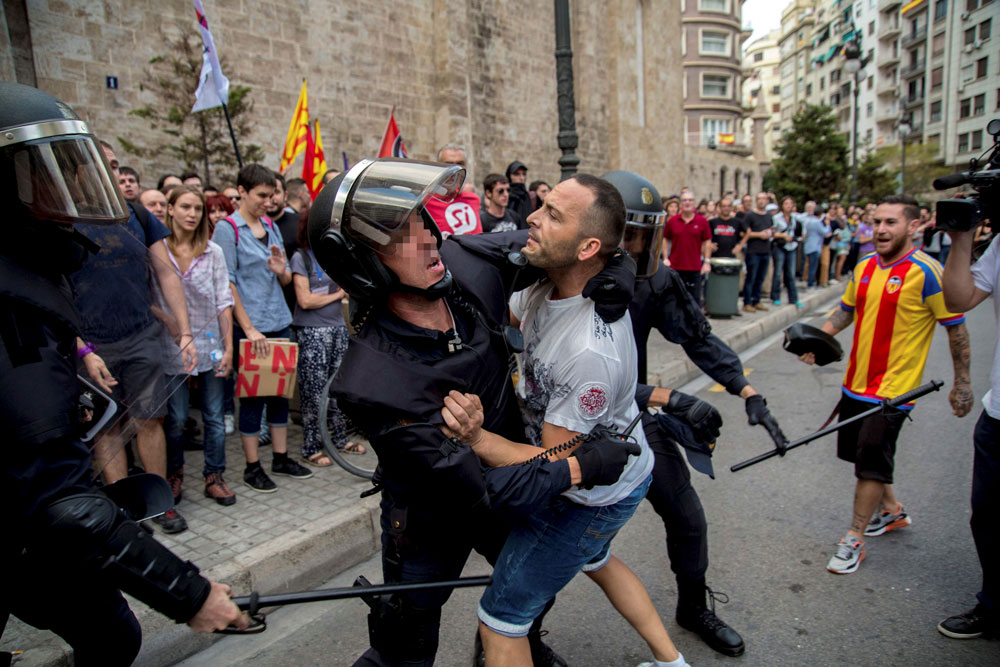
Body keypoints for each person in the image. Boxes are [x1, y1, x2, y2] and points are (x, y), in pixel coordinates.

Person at [309, 158, 638, 667]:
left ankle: (511, 644)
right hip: (432, 515)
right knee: (405, 642)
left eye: (422, 220)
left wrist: (617, 267)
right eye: (400, 236)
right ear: (361, 262)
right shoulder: (373, 382)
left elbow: (553, 248)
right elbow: (479, 488)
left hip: (514, 473)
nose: (427, 239)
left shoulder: (466, 266)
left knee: (526, 595)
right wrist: (582, 466)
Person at [0, 81, 246, 667]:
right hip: (23, 527)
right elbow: (56, 497)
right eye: (47, 171)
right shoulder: (11, 305)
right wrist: (190, 594)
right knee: (110, 633)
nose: (74, 186)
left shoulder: (25, 275)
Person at [451, 173, 689, 667]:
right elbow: (511, 320)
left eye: (553, 215)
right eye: (541, 205)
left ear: (588, 248)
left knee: (501, 618)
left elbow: (553, 463)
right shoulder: (549, 287)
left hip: (588, 497)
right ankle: (672, 663)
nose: (531, 218)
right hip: (609, 478)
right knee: (595, 560)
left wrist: (475, 438)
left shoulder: (588, 351)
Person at [608, 170, 790, 657]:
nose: (633, 246)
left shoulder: (656, 281)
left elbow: (698, 337)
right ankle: (515, 631)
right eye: (624, 233)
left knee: (687, 516)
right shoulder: (554, 282)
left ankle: (692, 607)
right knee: (542, 531)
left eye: (642, 235)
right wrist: (669, 398)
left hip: (633, 414)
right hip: (568, 423)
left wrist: (747, 390)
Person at [798, 195, 973, 575]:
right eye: (877, 221)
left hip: (895, 392)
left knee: (871, 465)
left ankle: (854, 538)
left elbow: (955, 329)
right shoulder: (863, 267)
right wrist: (816, 340)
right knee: (862, 459)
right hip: (855, 384)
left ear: (914, 226)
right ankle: (892, 510)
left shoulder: (928, 272)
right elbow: (845, 311)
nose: (880, 229)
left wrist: (963, 383)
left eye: (891, 222)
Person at [77, 141, 197, 535]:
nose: (113, 173)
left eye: (115, 165)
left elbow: (166, 274)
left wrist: (184, 332)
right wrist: (82, 348)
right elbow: (55, 288)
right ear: (81, 172)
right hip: (95, 345)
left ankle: (158, 504)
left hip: (141, 337)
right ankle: (125, 510)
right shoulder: (65, 219)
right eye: (104, 165)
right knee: (108, 427)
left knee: (150, 420)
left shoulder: (139, 216)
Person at [211, 164, 313, 493]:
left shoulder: (269, 224)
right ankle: (252, 466)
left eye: (271, 195)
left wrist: (282, 270)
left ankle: (280, 458)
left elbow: (283, 278)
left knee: (280, 395)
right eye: (261, 195)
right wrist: (249, 328)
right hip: (251, 327)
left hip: (278, 320)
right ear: (241, 191)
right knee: (254, 397)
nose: (267, 201)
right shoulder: (229, 229)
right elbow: (226, 283)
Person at [940, 225, 999, 639]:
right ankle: (993, 605)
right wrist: (962, 235)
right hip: (998, 418)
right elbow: (959, 299)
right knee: (990, 519)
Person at [160, 186, 237, 506]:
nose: (192, 214)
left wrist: (229, 347)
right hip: (171, 346)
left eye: (197, 209)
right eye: (186, 207)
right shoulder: (158, 250)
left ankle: (214, 475)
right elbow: (151, 299)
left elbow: (224, 300)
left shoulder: (213, 251)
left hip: (211, 344)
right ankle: (174, 474)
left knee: (215, 416)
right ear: (171, 209)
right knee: (176, 417)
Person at [289, 213, 361, 466]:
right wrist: (336, 295)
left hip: (337, 328)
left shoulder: (332, 255)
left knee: (338, 387)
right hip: (312, 331)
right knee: (313, 391)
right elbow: (305, 300)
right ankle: (311, 446)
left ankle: (339, 439)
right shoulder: (301, 257)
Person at [663, 191, 712, 306]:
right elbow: (665, 238)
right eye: (684, 200)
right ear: (681, 204)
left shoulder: (702, 221)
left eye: (690, 200)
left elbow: (707, 241)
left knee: (694, 301)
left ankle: (694, 324)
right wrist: (665, 258)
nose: (687, 203)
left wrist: (707, 261)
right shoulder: (673, 221)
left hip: (694, 267)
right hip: (675, 267)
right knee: (675, 299)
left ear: (694, 203)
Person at [740, 192, 774, 312]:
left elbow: (771, 229)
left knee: (760, 278)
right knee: (751, 277)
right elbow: (743, 233)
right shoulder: (750, 215)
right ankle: (747, 302)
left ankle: (757, 300)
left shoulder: (769, 215)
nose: (761, 201)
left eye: (764, 199)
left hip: (765, 250)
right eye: (759, 199)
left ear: (767, 201)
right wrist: (760, 234)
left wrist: (770, 233)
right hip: (753, 250)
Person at [770, 195, 802, 307]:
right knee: (778, 273)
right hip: (780, 246)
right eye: (786, 204)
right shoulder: (776, 218)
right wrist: (783, 235)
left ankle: (793, 298)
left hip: (791, 246)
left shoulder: (794, 218)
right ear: (782, 205)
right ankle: (775, 296)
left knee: (791, 273)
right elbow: (772, 233)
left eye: (790, 204)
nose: (788, 206)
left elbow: (799, 232)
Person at [800, 200, 829, 289]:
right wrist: (828, 225)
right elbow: (825, 232)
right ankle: (810, 284)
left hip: (808, 246)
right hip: (815, 247)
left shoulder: (808, 221)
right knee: (813, 266)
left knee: (808, 265)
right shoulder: (817, 222)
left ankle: (808, 281)